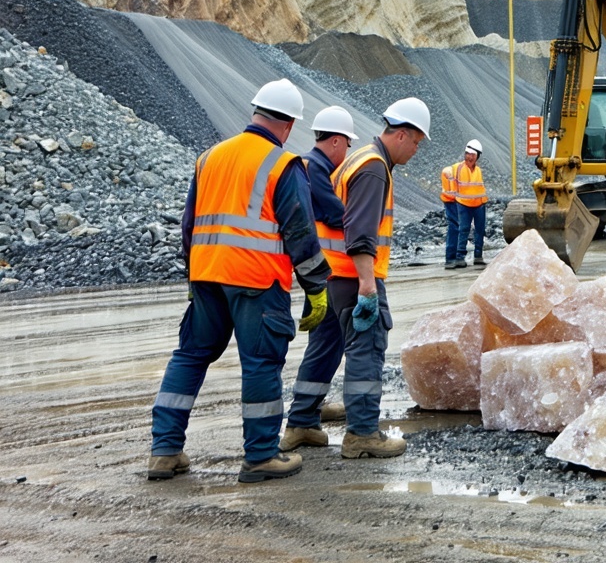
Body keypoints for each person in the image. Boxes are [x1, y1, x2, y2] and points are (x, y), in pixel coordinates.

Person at [149, 79, 331, 484]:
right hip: (255, 279)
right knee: (261, 362)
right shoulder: (281, 164)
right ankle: (261, 456)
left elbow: (188, 225)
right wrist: (317, 287)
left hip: (207, 274)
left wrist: (194, 276)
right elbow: (300, 231)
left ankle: (164, 451)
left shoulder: (209, 157)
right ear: (287, 124)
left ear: (256, 113)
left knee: (190, 356)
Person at [280, 97, 430, 460]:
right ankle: (362, 433)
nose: (415, 150)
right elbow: (360, 231)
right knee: (366, 350)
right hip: (353, 277)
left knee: (324, 348)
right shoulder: (375, 167)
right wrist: (367, 285)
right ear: (403, 134)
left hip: (332, 277)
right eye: (416, 142)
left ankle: (301, 422)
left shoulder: (356, 158)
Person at [278, 106, 358, 441]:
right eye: (347, 145)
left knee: (326, 343)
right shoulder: (314, 169)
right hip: (324, 274)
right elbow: (337, 214)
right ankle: (302, 419)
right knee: (326, 343)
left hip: (320, 272)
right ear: (337, 141)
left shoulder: (314, 167)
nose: (347, 153)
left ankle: (312, 404)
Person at [452, 139, 488, 267]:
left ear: (477, 156)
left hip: (479, 205)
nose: (469, 157)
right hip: (464, 204)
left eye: (472, 155)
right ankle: (460, 257)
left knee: (480, 230)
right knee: (464, 229)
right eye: (467, 154)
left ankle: (478, 256)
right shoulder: (459, 168)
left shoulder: (478, 170)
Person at [440, 157, 460, 269]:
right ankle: (451, 258)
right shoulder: (454, 173)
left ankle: (454, 257)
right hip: (452, 201)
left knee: (456, 226)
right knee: (455, 226)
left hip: (450, 200)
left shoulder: (450, 170)